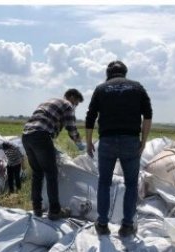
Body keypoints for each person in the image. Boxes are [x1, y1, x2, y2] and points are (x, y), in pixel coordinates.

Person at [85, 60, 152, 236]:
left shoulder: (101, 89)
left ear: (108, 73)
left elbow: (90, 116)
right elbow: (148, 114)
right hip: (130, 141)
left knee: (104, 183)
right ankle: (127, 226)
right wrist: (143, 140)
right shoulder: (137, 87)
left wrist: (89, 141)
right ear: (125, 72)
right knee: (131, 184)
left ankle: (102, 224)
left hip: (106, 141)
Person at [22, 89, 85, 220]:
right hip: (41, 136)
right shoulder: (67, 104)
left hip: (27, 136)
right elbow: (71, 127)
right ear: (72, 97)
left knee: (37, 173)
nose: (75, 106)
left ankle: (37, 208)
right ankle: (55, 211)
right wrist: (79, 143)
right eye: (76, 103)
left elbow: (47, 123)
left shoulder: (48, 101)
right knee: (51, 173)